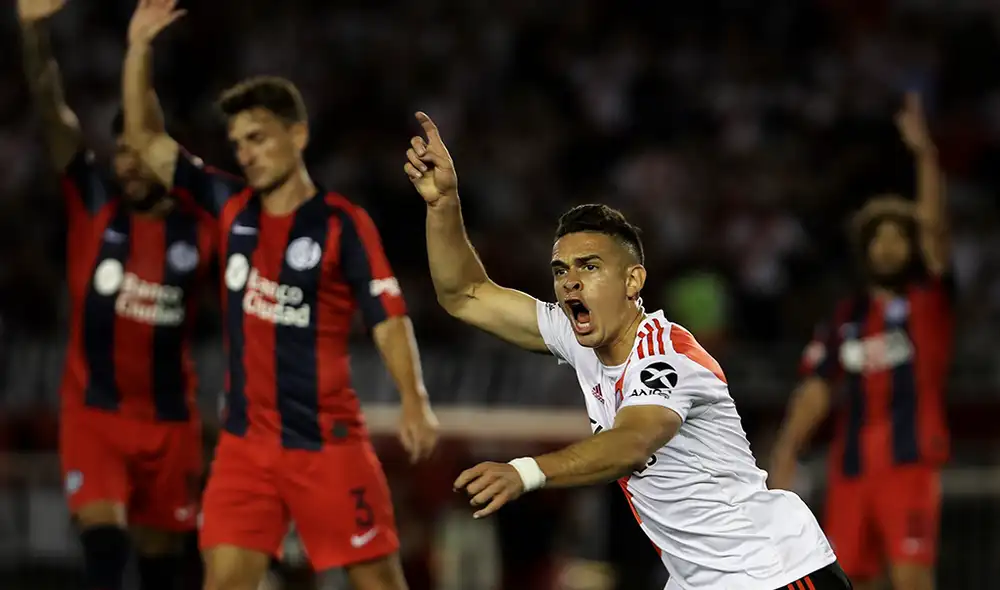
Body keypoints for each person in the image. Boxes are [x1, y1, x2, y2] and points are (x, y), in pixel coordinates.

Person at [403, 113, 851, 590]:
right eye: (560, 270)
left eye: (590, 266)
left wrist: (527, 471)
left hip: (772, 572)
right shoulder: (578, 337)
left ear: (632, 281)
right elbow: (465, 294)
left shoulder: (665, 355)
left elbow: (630, 444)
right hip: (702, 581)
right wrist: (443, 204)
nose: (569, 280)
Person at [121, 1, 440, 589]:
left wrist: (413, 399)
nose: (245, 151)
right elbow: (144, 139)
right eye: (239, 142)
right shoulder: (229, 207)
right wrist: (139, 49)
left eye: (259, 137)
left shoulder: (343, 224)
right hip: (245, 448)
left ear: (298, 135)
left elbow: (388, 316)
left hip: (327, 446)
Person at [16, 1, 213, 588]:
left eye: (140, 151)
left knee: (165, 570)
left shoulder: (201, 226)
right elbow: (51, 106)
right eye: (120, 150)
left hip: (169, 424)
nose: (127, 163)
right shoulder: (92, 201)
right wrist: (32, 32)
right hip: (94, 415)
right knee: (103, 552)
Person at [769, 94, 950, 590]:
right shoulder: (844, 318)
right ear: (866, 247)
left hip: (909, 465)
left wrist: (926, 157)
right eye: (880, 237)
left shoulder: (925, 304)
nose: (889, 245)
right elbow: (816, 387)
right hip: (849, 471)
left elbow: (934, 233)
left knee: (912, 580)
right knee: (849, 580)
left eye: (899, 236)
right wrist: (786, 452)